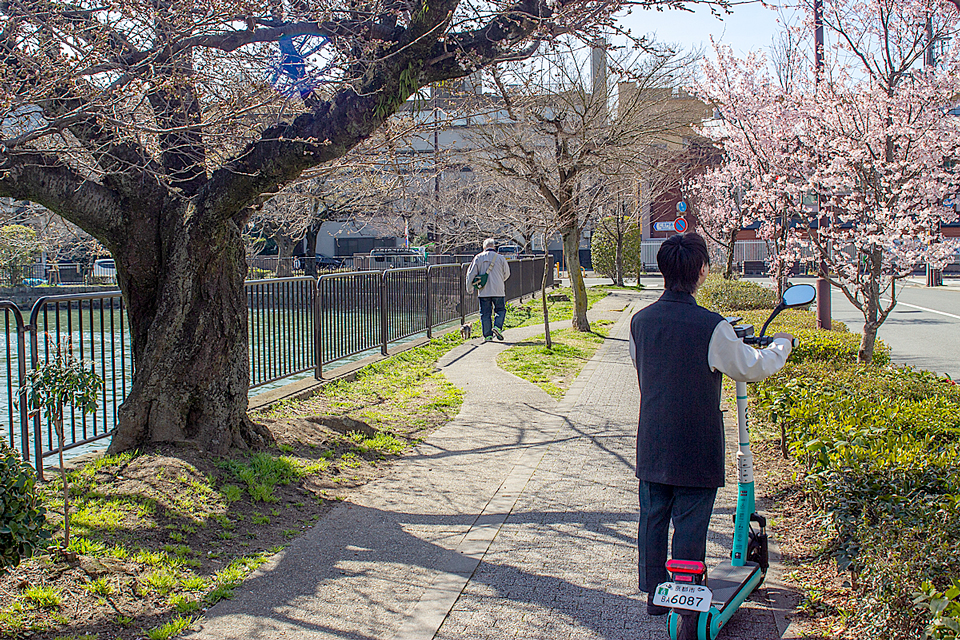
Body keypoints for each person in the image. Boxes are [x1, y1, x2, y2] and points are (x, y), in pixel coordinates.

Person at [628, 233, 794, 616]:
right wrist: (781, 346)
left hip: (652, 435)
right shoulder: (712, 326)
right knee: (689, 519)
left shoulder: (639, 322)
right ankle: (686, 596)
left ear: (663, 269)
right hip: (696, 439)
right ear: (702, 271)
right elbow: (751, 367)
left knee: (652, 516)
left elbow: (644, 370)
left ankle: (655, 594)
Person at [466, 238, 511, 341]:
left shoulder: (478, 258)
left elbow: (470, 274)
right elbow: (507, 273)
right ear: (494, 247)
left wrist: (470, 288)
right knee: (500, 310)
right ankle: (497, 327)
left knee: (485, 313)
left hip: (483, 290)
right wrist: (500, 280)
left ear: (484, 247)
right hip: (498, 290)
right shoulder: (500, 258)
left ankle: (488, 336)